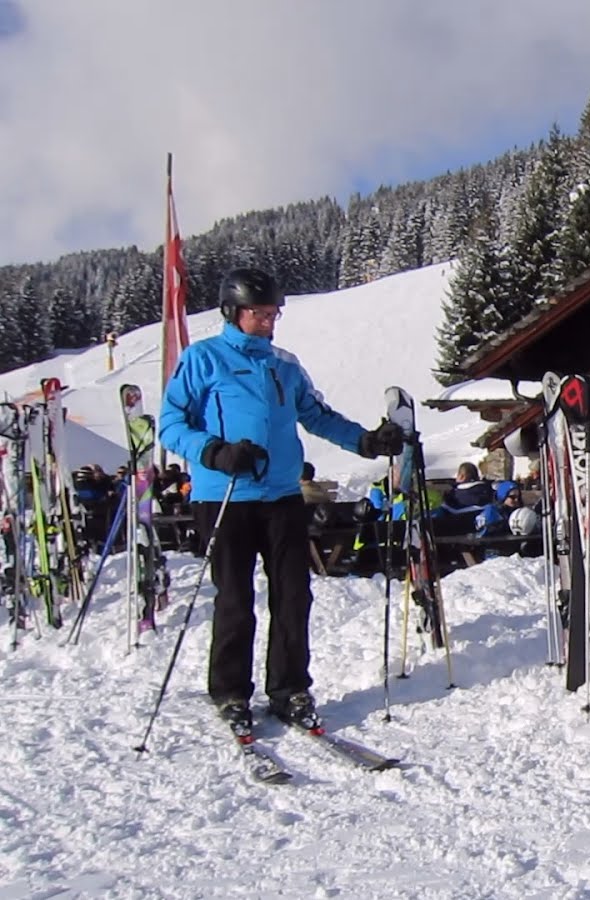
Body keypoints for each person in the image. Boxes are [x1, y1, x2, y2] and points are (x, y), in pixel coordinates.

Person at [158, 267, 405, 739]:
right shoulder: (203, 359)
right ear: (233, 312)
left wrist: (367, 442)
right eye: (259, 313)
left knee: (294, 595)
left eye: (274, 314)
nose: (269, 322)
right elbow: (171, 423)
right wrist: (214, 451)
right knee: (235, 598)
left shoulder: (284, 364)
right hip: (226, 495)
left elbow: (316, 415)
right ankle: (231, 691)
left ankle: (289, 688)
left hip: (282, 496)